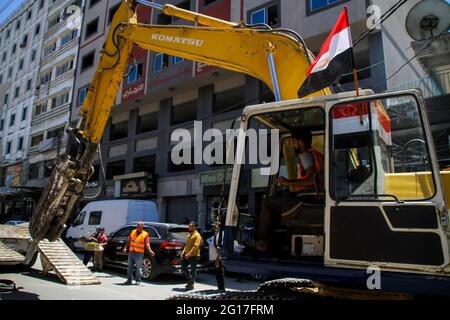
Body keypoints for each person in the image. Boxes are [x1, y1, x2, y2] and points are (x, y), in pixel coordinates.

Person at [255, 128, 324, 252]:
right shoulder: (318, 154)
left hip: (306, 200)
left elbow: (313, 180)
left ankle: (262, 242)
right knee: (282, 196)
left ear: (300, 142)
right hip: (314, 197)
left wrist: (288, 182)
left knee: (267, 202)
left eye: (294, 141)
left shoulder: (306, 155)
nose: (293, 145)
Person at [181, 221, 203, 291]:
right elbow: (187, 245)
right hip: (186, 255)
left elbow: (195, 246)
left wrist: (189, 254)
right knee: (183, 268)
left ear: (194, 227)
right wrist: (183, 252)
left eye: (190, 226)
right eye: (189, 226)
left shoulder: (197, 235)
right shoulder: (189, 234)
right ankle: (191, 280)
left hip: (193, 255)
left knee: (193, 270)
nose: (189, 228)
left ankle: (191, 284)